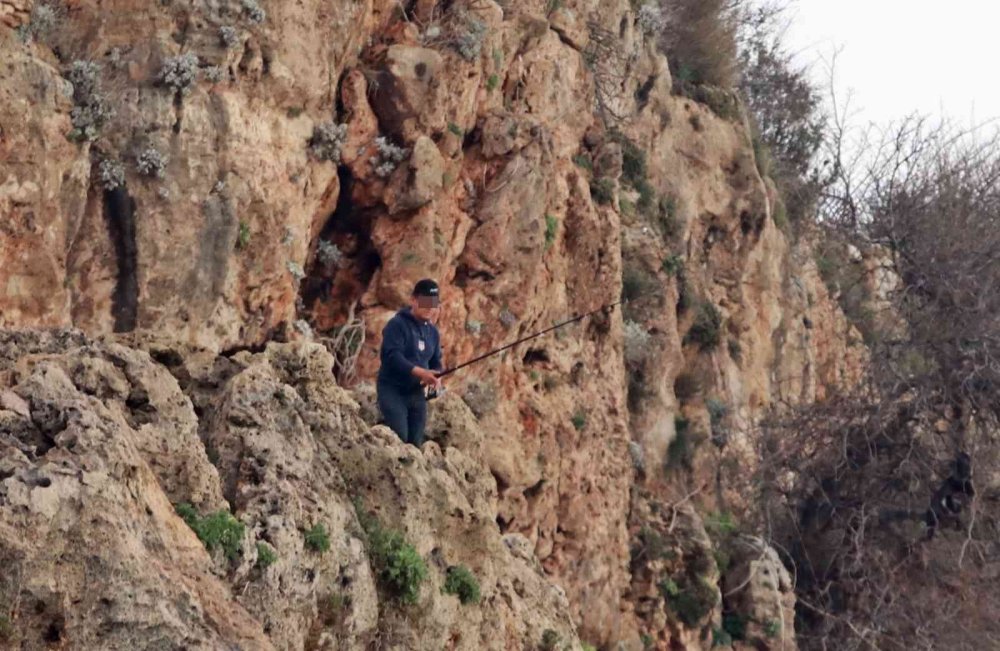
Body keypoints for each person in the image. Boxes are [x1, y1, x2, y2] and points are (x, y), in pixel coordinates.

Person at [376, 279, 444, 447]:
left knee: (415, 443)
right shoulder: (397, 325)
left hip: (416, 393)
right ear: (413, 300)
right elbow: (392, 356)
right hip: (392, 389)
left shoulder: (433, 332)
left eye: (433, 303)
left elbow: (436, 361)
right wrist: (421, 373)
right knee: (400, 436)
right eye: (425, 302)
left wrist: (437, 377)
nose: (429, 308)